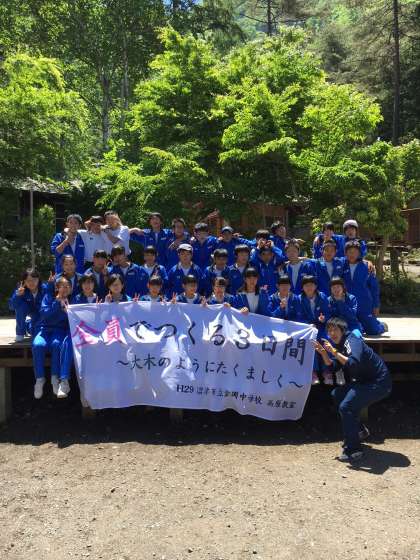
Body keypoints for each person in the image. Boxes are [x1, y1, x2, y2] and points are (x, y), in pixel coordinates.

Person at [314, 317, 392, 462]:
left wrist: (334, 352)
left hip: (379, 383)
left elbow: (353, 363)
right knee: (337, 394)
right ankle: (359, 430)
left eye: (335, 330)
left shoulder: (352, 340)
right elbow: (333, 367)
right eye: (329, 331)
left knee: (346, 407)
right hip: (364, 383)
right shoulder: (340, 345)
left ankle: (353, 450)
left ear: (343, 330)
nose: (332, 333)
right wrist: (324, 354)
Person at [32, 276, 73, 399]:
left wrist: (68, 313)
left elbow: (73, 321)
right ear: (57, 288)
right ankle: (40, 379)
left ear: (71, 289)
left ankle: (54, 378)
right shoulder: (48, 297)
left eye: (67, 286)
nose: (65, 289)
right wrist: (57, 303)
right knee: (38, 345)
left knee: (56, 344)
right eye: (62, 286)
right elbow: (44, 315)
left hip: (59, 330)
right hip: (43, 329)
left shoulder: (72, 301)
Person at [342, 240, 386, 335]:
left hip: (365, 305)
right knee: (354, 331)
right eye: (349, 252)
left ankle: (381, 325)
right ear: (345, 253)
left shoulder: (367, 267)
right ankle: (360, 326)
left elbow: (374, 288)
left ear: (359, 253)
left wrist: (376, 305)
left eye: (355, 252)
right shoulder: (341, 265)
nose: (352, 254)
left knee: (373, 330)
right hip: (348, 305)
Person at [297, 275, 331, 385]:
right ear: (302, 287)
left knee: (326, 341)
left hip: (321, 327)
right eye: (306, 285)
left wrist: (323, 318)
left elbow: (328, 313)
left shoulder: (322, 296)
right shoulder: (299, 299)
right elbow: (298, 316)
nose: (309, 287)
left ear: (316, 286)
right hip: (307, 329)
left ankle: (327, 371)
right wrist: (308, 324)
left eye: (311, 285)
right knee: (311, 342)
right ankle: (313, 372)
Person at [9, 268, 48, 342]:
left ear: (38, 280)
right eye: (28, 280)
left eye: (34, 280)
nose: (31, 283)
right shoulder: (20, 289)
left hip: (39, 313)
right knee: (20, 307)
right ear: (24, 281)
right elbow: (12, 306)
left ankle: (28, 324)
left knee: (34, 331)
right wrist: (17, 295)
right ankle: (20, 333)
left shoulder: (44, 288)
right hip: (26, 309)